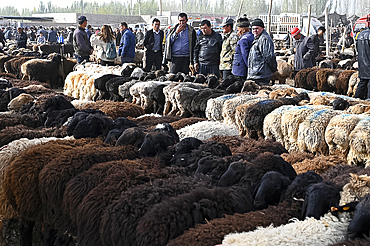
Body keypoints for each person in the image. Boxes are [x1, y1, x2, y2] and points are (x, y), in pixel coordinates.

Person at [247, 18, 277, 85]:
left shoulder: (264, 39)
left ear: (262, 28)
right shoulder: (258, 38)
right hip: (256, 73)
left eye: (257, 28)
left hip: (261, 75)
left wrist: (273, 68)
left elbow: (269, 56)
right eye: (253, 29)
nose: (255, 30)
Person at [354, 16, 370, 99]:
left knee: (363, 82)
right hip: (369, 62)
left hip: (362, 63)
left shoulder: (360, 35)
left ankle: (356, 99)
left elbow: (357, 49)